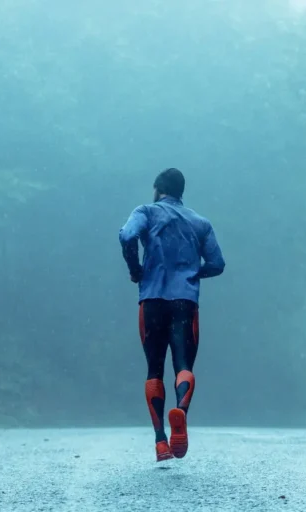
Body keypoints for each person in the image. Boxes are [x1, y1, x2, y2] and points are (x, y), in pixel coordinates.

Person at [118, 167, 226, 462]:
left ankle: (160, 442)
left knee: (154, 369)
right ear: (181, 193)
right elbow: (217, 263)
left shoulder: (146, 211)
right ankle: (181, 412)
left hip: (151, 300)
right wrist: (192, 272)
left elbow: (127, 235)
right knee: (183, 365)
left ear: (157, 190)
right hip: (185, 302)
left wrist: (136, 269)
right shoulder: (200, 222)